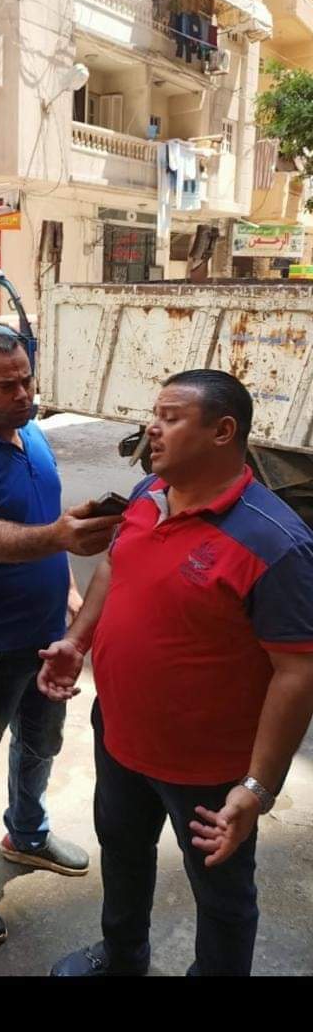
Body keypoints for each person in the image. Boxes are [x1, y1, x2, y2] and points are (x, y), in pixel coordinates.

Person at [39, 369, 313, 978]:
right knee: (123, 853)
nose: (151, 430)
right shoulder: (148, 495)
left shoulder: (276, 543)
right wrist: (77, 642)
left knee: (222, 895)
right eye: (153, 415)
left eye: (169, 417)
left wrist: (258, 788)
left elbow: (297, 672)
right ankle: (123, 957)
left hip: (207, 767)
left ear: (222, 431)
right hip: (121, 734)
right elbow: (115, 565)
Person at [0, 331, 122, 947]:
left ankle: (27, 834)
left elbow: (44, 521)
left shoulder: (33, 434)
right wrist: (61, 538)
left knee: (41, 743)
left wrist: (67, 589)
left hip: (46, 636)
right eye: (5, 385)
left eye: (26, 380)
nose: (21, 394)